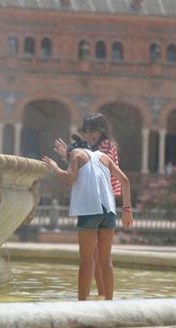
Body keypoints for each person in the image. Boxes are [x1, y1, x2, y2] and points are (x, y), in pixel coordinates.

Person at [42, 136, 133, 301]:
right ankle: (109, 302)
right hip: (109, 212)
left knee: (86, 260)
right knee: (105, 260)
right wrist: (127, 210)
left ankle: (82, 303)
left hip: (89, 210)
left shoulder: (76, 154)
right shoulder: (104, 157)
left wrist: (54, 168)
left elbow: (69, 178)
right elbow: (125, 181)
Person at [54, 113, 121, 297]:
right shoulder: (97, 146)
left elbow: (97, 169)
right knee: (97, 256)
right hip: (104, 201)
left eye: (94, 131)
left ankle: (100, 293)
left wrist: (69, 154)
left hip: (100, 201)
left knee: (97, 257)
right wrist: (69, 153)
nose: (90, 135)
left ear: (102, 130)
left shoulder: (104, 146)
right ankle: (102, 295)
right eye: (87, 131)